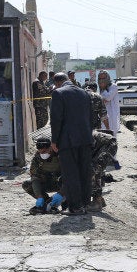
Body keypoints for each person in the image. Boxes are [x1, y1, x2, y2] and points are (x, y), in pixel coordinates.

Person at [50, 72, 93, 215]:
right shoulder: (84, 93)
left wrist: (54, 140)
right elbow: (91, 117)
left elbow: (56, 120)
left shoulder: (58, 93)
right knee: (84, 172)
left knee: (71, 173)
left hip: (67, 141)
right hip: (86, 139)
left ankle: (76, 207)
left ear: (57, 83)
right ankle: (86, 204)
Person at [23, 137, 62, 215]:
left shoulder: (60, 154)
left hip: (62, 184)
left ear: (51, 147)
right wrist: (39, 196)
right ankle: (46, 203)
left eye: (44, 151)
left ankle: (65, 202)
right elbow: (34, 176)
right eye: (40, 152)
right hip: (47, 182)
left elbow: (70, 176)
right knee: (27, 184)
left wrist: (61, 193)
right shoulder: (37, 157)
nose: (42, 154)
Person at [87, 129, 118, 212]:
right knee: (96, 170)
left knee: (94, 170)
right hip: (106, 145)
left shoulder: (84, 135)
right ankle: (100, 199)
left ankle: (97, 202)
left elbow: (91, 148)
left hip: (109, 146)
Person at [98, 70, 121, 169]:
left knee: (112, 137)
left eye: (104, 78)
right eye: (100, 78)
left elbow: (107, 98)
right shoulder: (101, 89)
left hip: (112, 115)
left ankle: (113, 159)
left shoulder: (114, 86)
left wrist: (103, 90)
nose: (102, 80)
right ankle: (105, 159)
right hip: (104, 117)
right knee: (104, 137)